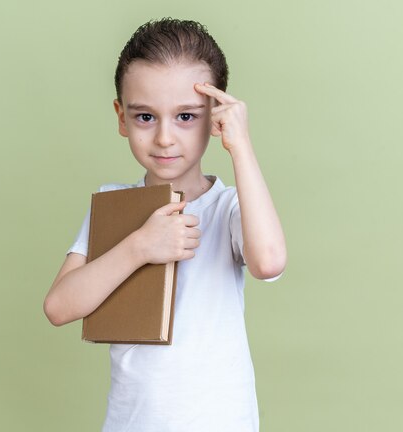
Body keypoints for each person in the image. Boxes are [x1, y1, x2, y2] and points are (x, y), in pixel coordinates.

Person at [43, 18, 287, 432]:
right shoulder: (115, 205)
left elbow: (268, 262)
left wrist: (240, 145)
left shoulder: (227, 206)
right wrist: (139, 246)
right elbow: (58, 307)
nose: (164, 138)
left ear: (216, 118)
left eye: (187, 117)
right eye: (145, 117)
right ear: (122, 118)